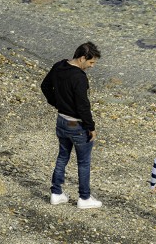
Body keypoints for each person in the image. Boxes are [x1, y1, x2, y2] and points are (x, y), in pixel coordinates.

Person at [41, 42, 103, 209]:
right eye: (91, 62)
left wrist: (57, 103)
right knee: (83, 162)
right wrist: (91, 127)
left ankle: (56, 193)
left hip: (61, 121)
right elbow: (83, 106)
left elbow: (45, 86)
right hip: (77, 125)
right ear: (82, 58)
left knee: (62, 156)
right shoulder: (79, 77)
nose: (92, 66)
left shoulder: (59, 66)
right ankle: (84, 198)